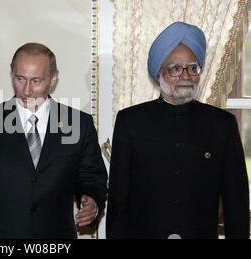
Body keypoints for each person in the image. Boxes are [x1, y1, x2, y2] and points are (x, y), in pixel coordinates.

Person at [0, 42, 108, 239]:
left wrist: (92, 202)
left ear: (54, 78)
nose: (27, 91)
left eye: (36, 81)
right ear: (12, 74)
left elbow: (92, 178)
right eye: (20, 79)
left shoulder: (79, 125)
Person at [106, 21, 250, 239]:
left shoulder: (222, 124)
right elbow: (119, 202)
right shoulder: (131, 122)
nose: (186, 76)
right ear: (158, 74)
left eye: (192, 68)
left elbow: (236, 205)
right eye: (175, 69)